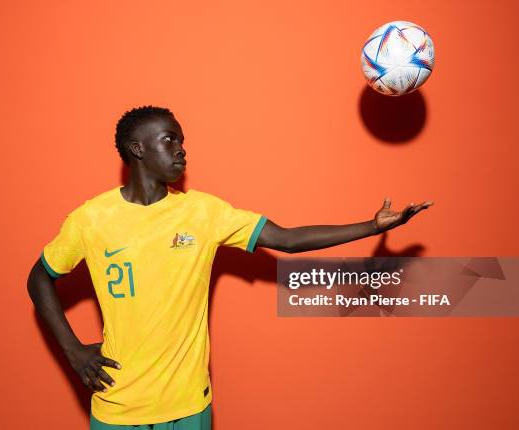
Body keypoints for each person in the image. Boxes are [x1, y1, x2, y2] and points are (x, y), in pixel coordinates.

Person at [26, 105, 433, 429]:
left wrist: (371, 225)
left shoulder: (204, 212)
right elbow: (40, 276)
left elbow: (288, 239)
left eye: (183, 141)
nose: (182, 149)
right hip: (118, 404)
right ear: (138, 149)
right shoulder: (91, 218)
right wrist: (74, 351)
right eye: (170, 140)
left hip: (189, 404)